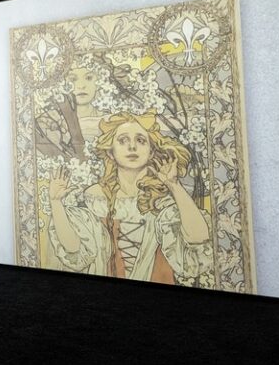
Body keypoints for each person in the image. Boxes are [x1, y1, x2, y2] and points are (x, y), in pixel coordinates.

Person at [45, 111, 212, 283]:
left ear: (151, 151)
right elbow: (74, 250)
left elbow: (199, 241)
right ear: (111, 152)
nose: (132, 147)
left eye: (140, 140)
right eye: (123, 140)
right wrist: (56, 203)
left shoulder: (162, 198)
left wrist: (174, 185)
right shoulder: (93, 198)